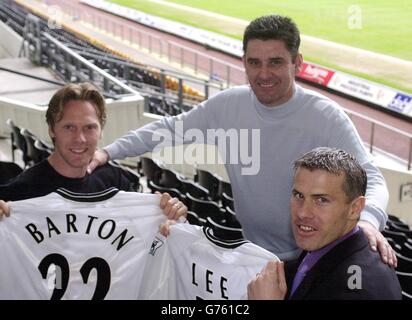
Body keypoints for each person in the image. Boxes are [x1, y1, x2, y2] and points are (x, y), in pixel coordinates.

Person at [87, 15, 395, 264]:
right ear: (244, 61)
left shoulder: (326, 117)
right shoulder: (227, 105)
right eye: (253, 62)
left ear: (297, 63)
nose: (263, 74)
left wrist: (368, 222)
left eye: (275, 62)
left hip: (311, 259)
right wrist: (108, 152)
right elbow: (169, 129)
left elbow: (374, 179)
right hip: (251, 256)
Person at [0, 82, 187, 220]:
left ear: (101, 131)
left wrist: (167, 214)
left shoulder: (115, 181)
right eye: (69, 127)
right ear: (51, 130)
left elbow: (147, 234)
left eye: (89, 128)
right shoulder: (19, 194)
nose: (80, 139)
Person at [247, 147, 402, 300]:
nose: (303, 213)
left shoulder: (357, 291)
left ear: (355, 208)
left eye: (321, 200)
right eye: (299, 195)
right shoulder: (326, 242)